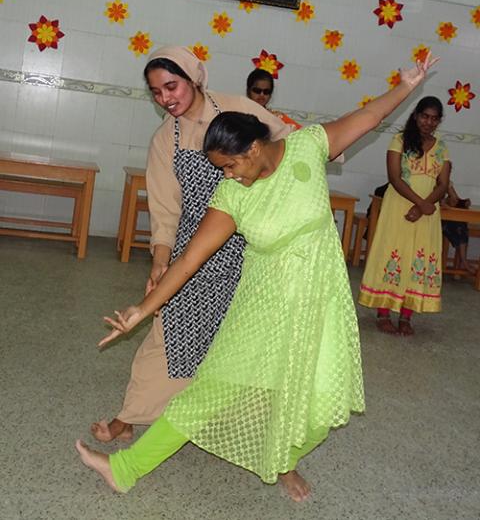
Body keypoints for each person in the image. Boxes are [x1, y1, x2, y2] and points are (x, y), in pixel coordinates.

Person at [77, 54, 437, 501]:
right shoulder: (231, 196)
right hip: (261, 307)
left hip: (321, 300)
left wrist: (406, 85)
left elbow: (367, 116)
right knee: (208, 392)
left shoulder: (308, 146)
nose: (224, 177)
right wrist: (142, 309)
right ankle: (125, 468)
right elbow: (188, 262)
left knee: (319, 400)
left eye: (228, 166)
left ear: (253, 148)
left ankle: (282, 459)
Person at [90, 46, 292, 443]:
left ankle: (244, 430)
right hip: (195, 254)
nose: (166, 99)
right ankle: (131, 414)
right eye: (156, 92)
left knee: (245, 343)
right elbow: (165, 210)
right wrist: (160, 262)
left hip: (252, 249)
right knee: (171, 333)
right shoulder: (166, 138)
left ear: (194, 78)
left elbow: (285, 146)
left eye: (172, 86)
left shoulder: (239, 109)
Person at [358, 96, 450, 336]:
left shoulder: (442, 147)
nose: (428, 122)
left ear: (439, 121)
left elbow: (443, 184)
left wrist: (423, 206)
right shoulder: (399, 140)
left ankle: (407, 316)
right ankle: (384, 312)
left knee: (417, 257)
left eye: (434, 118)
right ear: (416, 115)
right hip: (400, 206)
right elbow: (395, 178)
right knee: (393, 252)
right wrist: (419, 203)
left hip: (427, 211)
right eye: (424, 116)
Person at [441, 176, 476, 275]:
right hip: (434, 217)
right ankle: (464, 262)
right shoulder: (430, 180)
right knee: (458, 226)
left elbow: (455, 200)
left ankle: (462, 262)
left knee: (461, 225)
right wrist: (444, 204)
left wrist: (464, 203)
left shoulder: (445, 181)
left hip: (447, 215)